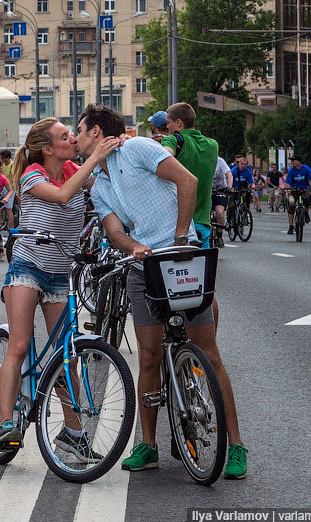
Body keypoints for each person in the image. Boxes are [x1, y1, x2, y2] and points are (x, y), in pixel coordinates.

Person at [75, 103, 247, 480]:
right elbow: (114, 229)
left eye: (81, 130)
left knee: (208, 353)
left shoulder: (137, 149)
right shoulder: (99, 183)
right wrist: (131, 246)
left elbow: (188, 181)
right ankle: (148, 445)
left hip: (180, 260)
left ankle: (235, 445)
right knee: (149, 358)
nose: (76, 136)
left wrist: (182, 238)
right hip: (144, 267)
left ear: (97, 133)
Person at [0, 117, 120, 451]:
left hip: (59, 273)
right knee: (19, 346)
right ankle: (6, 423)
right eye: (66, 137)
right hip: (27, 268)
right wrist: (91, 161)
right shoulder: (32, 173)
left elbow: (110, 189)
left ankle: (73, 432)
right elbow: (63, 196)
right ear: (47, 148)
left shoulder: (78, 172)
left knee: (69, 352)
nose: (72, 140)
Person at [160, 103, 219, 246]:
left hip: (177, 226)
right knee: (203, 267)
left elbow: (163, 156)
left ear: (178, 123)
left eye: (168, 122)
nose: (167, 127)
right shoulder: (212, 145)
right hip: (202, 224)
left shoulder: (172, 139)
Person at [282, 155, 311, 233]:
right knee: (291, 204)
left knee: (307, 198)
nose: (291, 162)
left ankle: (306, 213)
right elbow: (287, 183)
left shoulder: (305, 168)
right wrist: (288, 191)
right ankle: (291, 226)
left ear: (298, 161)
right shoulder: (291, 170)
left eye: (293, 160)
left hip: (304, 189)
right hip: (294, 190)